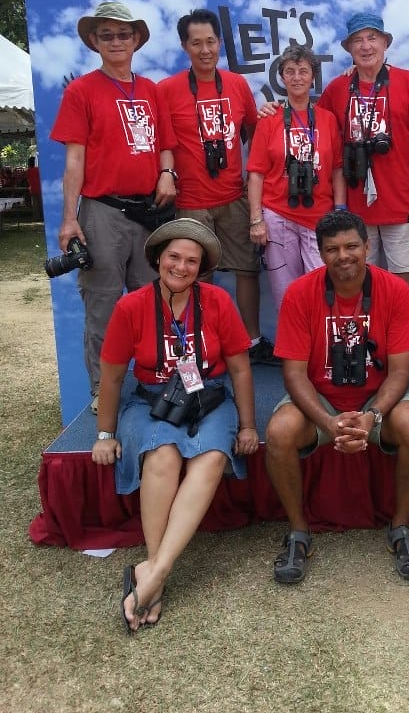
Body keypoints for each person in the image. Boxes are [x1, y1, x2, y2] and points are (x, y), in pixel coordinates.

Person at [91, 218, 257, 633]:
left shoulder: (218, 301)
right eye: (174, 257)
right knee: (162, 453)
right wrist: (105, 435)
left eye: (191, 261)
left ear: (201, 268)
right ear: (158, 258)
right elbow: (111, 376)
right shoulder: (131, 307)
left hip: (209, 394)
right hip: (150, 397)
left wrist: (249, 427)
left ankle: (154, 574)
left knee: (213, 455)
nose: (181, 267)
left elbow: (239, 369)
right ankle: (156, 570)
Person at [264, 210, 409, 583]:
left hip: (377, 398)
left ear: (368, 246)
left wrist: (372, 416)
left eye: (352, 246)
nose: (344, 256)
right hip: (320, 402)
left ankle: (401, 527)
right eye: (333, 249)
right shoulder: (299, 293)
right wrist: (328, 422)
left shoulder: (395, 290)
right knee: (279, 431)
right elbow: (293, 373)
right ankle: (298, 532)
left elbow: (401, 370)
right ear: (320, 253)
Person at [50, 0, 177, 410]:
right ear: (94, 42)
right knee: (103, 302)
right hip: (102, 210)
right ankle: (102, 391)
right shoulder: (81, 90)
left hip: (150, 212)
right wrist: (69, 218)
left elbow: (167, 147)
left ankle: (152, 379)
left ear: (137, 39)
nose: (117, 41)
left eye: (124, 33)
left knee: (152, 298)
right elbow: (74, 159)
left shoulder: (153, 90)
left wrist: (167, 174)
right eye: (107, 35)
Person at [157, 9, 274, 365]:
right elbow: (164, 143)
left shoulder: (236, 84)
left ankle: (252, 341)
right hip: (191, 201)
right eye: (197, 43)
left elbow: (255, 132)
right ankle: (201, 343)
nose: (205, 49)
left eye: (211, 41)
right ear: (184, 46)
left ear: (220, 43)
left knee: (247, 270)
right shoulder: (167, 90)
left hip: (233, 196)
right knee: (194, 274)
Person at [317, 12, 409, 305]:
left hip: (403, 201)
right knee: (356, 277)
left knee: (405, 278)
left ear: (385, 43)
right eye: (358, 40)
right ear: (349, 49)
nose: (366, 46)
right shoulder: (337, 88)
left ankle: (405, 346)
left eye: (372, 38)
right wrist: (274, 110)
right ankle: (363, 344)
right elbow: (314, 129)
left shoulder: (408, 82)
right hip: (355, 207)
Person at [246, 45, 345, 310]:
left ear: (313, 76)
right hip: (278, 216)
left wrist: (340, 212)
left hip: (320, 218)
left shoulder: (327, 119)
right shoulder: (269, 120)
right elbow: (256, 174)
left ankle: (321, 348)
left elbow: (336, 169)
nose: (297, 77)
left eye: (304, 71)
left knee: (324, 286)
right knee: (285, 291)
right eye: (290, 71)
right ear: (282, 78)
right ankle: (291, 350)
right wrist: (256, 220)